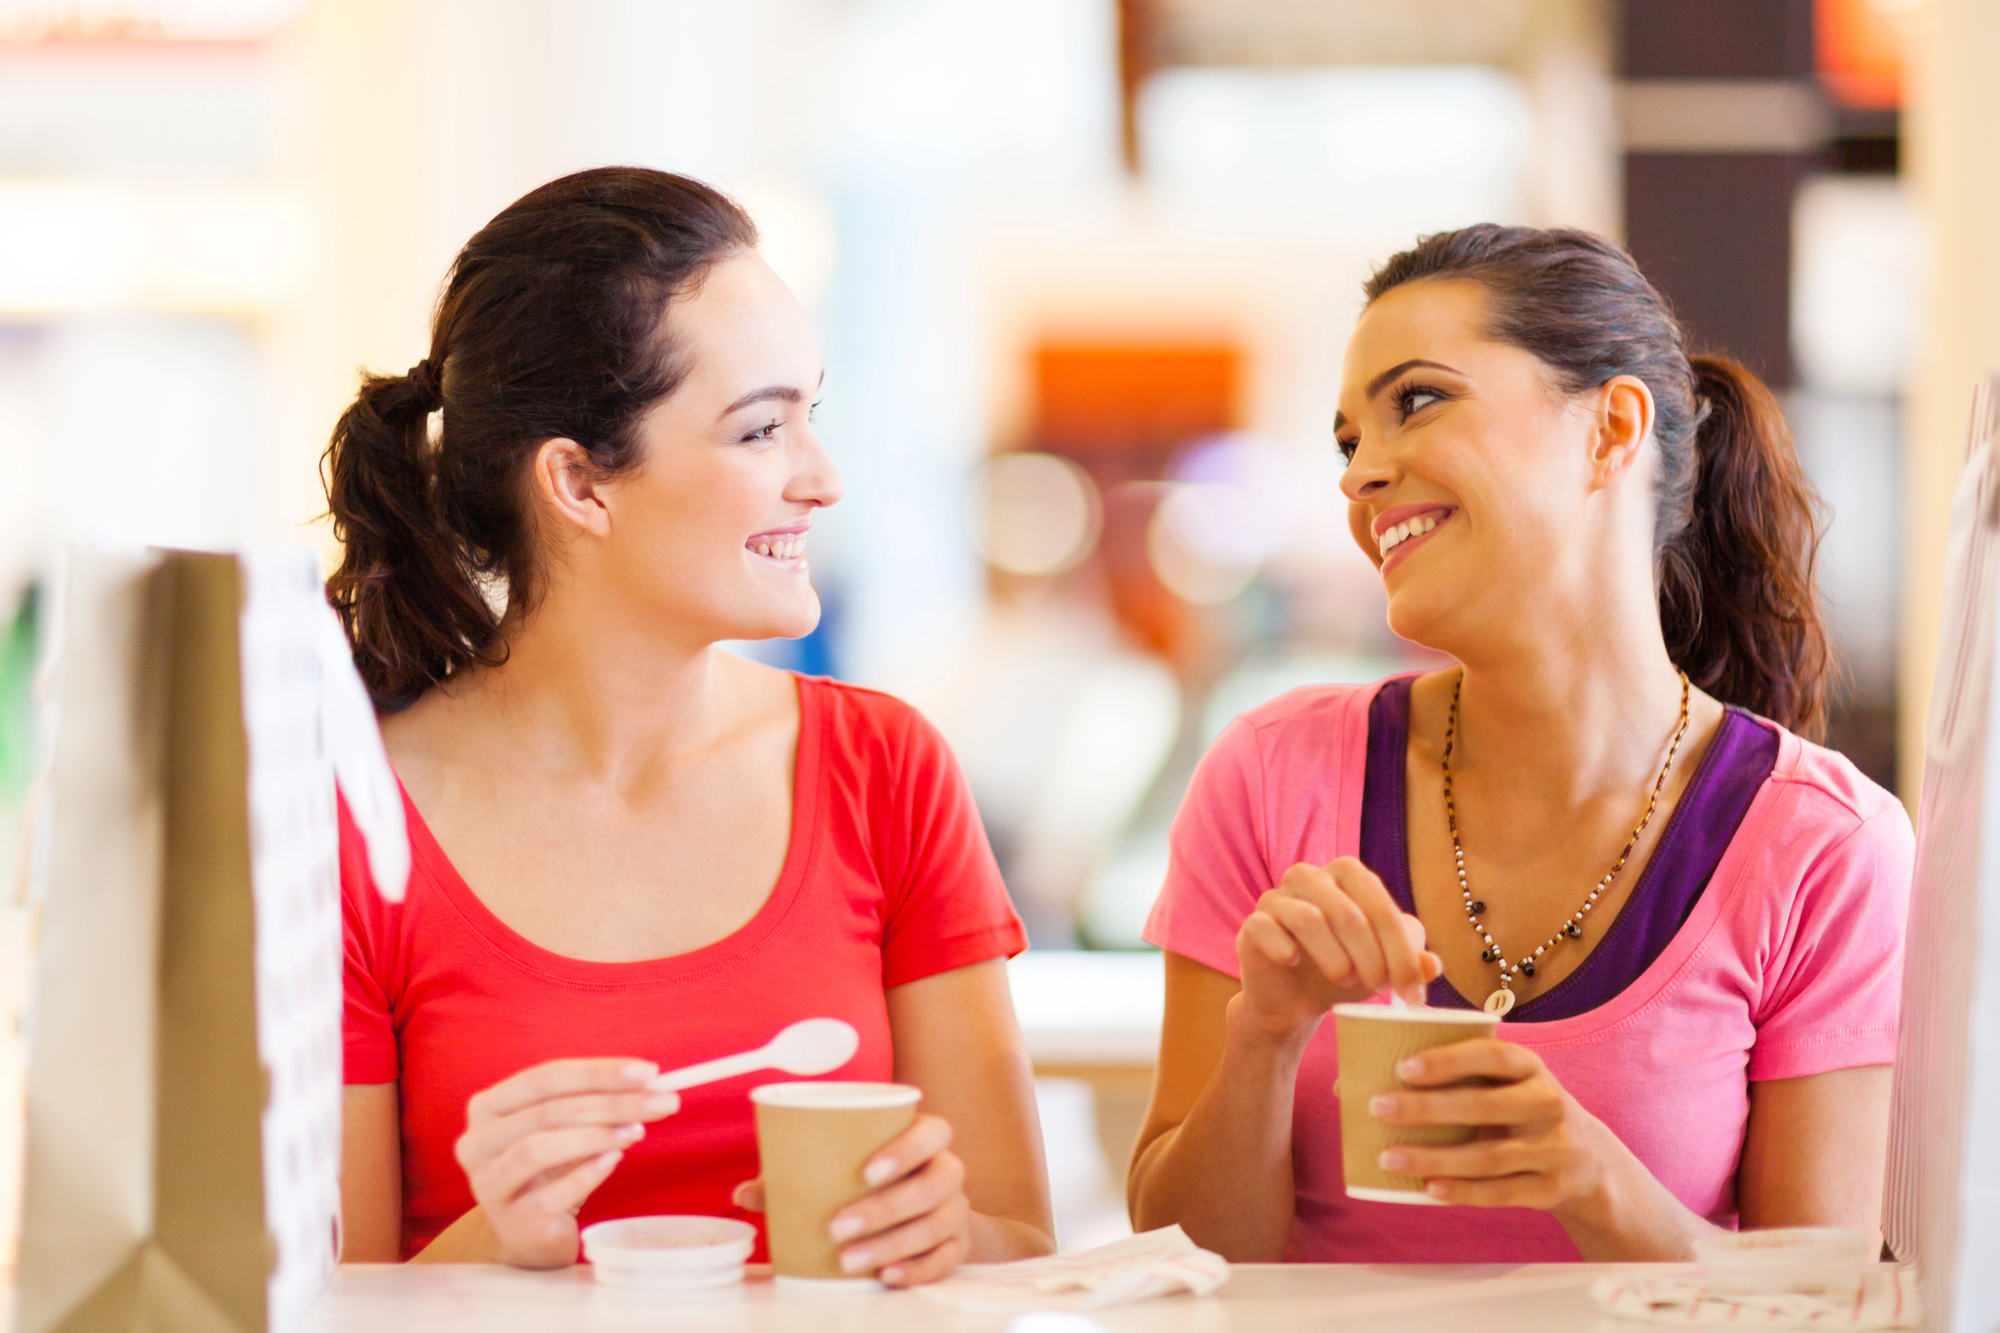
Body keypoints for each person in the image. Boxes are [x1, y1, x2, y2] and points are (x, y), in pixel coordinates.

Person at [1127, 224, 1913, 1263]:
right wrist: (1263, 1036)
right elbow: (1185, 1256)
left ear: (1610, 429)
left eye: (1416, 400)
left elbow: (1823, 1302)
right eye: (1346, 440)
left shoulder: (1823, 845)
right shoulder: (1270, 774)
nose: (1359, 473)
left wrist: (1595, 1184)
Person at [329, 167, 1053, 1282]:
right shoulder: (352, 822)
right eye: (761, 429)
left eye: (812, 414)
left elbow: (1018, 1243)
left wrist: (942, 1231)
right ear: (580, 483)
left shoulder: (883, 769)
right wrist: (493, 1243)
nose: (823, 478)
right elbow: (326, 1307)